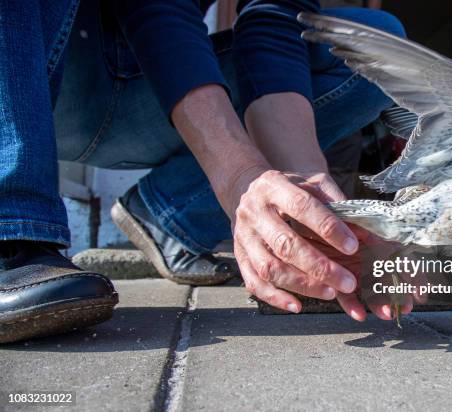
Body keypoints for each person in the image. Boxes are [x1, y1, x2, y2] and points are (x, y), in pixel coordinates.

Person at [0, 0, 406, 343]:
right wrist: (239, 174)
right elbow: (156, 9)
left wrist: (313, 198)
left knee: (377, 40)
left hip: (136, 83)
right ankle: (11, 233)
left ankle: (168, 213)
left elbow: (276, 19)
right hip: (38, 69)